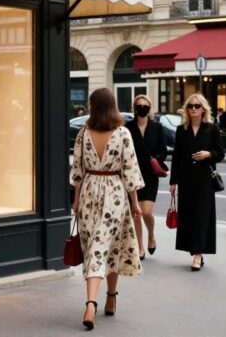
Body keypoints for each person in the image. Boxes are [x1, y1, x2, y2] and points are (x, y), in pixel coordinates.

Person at [71, 88, 144, 330]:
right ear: (112, 106)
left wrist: (76, 199)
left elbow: (78, 171)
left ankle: (105, 298)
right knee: (106, 246)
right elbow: (129, 170)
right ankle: (95, 302)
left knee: (96, 246)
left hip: (91, 191)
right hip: (114, 192)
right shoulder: (123, 133)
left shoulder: (83, 133)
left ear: (93, 106)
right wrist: (135, 203)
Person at [170, 93, 224, 272]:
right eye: (190, 106)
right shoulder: (181, 130)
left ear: (203, 109)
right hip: (186, 179)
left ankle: (198, 254)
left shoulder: (211, 128)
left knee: (202, 216)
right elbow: (176, 157)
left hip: (204, 179)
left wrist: (209, 154)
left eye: (197, 106)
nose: (193, 109)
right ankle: (195, 250)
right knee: (189, 216)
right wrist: (173, 181)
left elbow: (220, 153)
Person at [125, 94, 169, 259]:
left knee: (146, 211)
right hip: (132, 174)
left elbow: (163, 151)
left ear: (149, 108)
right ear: (135, 108)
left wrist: (155, 159)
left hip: (150, 175)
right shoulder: (128, 127)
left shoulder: (156, 127)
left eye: (145, 105)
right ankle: (140, 246)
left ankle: (151, 234)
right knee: (136, 213)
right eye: (139, 105)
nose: (142, 108)